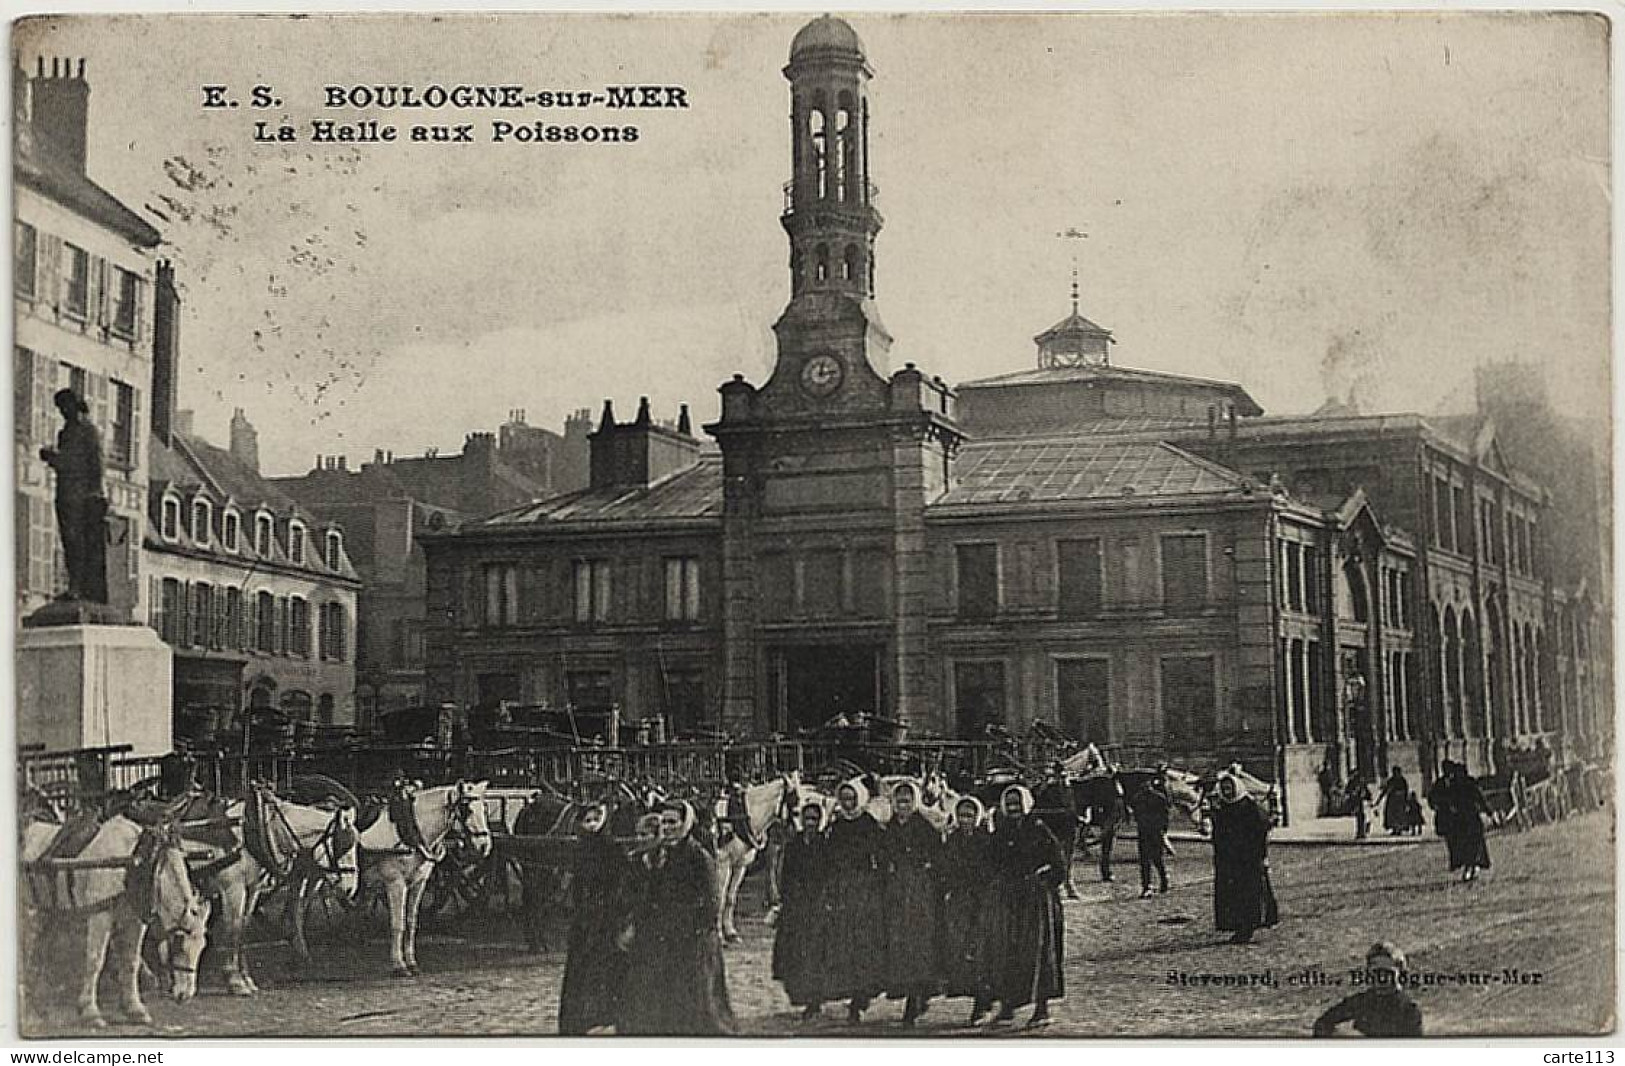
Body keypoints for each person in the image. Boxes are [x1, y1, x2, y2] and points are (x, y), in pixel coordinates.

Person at [617, 802, 734, 1035]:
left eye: (673, 821)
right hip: (670, 935)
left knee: (701, 1000)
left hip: (694, 938)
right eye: (664, 822)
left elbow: (712, 901)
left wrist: (694, 931)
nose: (668, 827)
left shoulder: (698, 856)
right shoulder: (664, 855)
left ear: (685, 823)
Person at [988, 785, 1065, 1028]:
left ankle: (1042, 1008)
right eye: (1009, 804)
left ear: (1026, 804)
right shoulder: (1001, 830)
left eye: (1017, 804)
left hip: (1037, 902)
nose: (1013, 809)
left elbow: (1058, 863)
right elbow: (993, 860)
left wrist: (1043, 881)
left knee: (1039, 952)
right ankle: (1008, 1005)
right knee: (1008, 950)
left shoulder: (1038, 828)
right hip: (1010, 899)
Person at [558, 803, 629, 1035]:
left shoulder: (612, 848)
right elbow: (578, 883)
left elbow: (621, 882)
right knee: (580, 968)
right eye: (586, 821)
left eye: (594, 820)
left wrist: (610, 909)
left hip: (606, 915)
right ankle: (579, 1019)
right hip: (585, 918)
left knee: (604, 965)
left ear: (602, 822)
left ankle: (604, 1014)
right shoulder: (580, 849)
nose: (590, 825)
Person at [823, 779, 887, 1024]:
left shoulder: (868, 823)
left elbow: (879, 856)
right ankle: (849, 994)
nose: (848, 804)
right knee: (844, 943)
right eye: (844, 799)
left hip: (865, 890)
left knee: (864, 944)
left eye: (852, 799)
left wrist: (875, 884)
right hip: (843, 890)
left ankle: (861, 999)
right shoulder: (838, 825)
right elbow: (829, 857)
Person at [881, 780, 943, 1026]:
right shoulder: (891, 828)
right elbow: (884, 855)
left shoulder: (925, 827)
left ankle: (916, 1000)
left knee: (919, 944)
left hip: (919, 894)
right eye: (899, 801)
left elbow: (937, 856)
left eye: (908, 801)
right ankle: (912, 994)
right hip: (897, 893)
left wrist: (925, 871)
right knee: (901, 945)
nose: (903, 806)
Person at [40, 388, 108, 603]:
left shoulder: (88, 431)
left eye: (65, 407)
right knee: (68, 540)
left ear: (75, 405)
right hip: (65, 492)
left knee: (80, 541)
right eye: (60, 408)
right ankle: (74, 585)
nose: (62, 412)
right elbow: (68, 464)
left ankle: (81, 587)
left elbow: (96, 463)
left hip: (82, 494)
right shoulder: (65, 433)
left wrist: (96, 491)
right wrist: (54, 458)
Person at [938, 795, 997, 1025]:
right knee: (962, 949)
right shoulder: (952, 840)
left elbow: (992, 868)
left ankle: (982, 1002)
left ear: (978, 817)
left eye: (970, 816)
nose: (965, 820)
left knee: (982, 949)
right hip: (960, 900)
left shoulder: (986, 840)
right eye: (962, 815)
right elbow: (945, 866)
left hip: (982, 900)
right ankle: (973, 993)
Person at [773, 800, 832, 1021]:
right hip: (796, 905)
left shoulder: (825, 845)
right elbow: (786, 873)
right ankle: (800, 994)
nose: (810, 823)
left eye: (814, 819)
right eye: (806, 819)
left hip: (817, 904)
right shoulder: (794, 844)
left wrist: (825, 899)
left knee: (815, 953)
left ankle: (815, 1000)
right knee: (795, 951)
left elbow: (829, 874)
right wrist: (785, 899)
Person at [1210, 772, 1278, 944]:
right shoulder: (1223, 808)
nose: (1227, 792)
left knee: (1248, 893)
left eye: (1229, 788)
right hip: (1229, 861)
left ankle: (1247, 928)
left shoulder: (1250, 807)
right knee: (1232, 895)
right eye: (1224, 789)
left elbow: (1261, 831)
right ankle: (1237, 925)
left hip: (1248, 859)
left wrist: (1262, 856)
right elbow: (1218, 833)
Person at [1312, 942, 1423, 1037]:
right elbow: (1322, 1024)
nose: (1382, 978)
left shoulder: (1408, 1010)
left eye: (1387, 973)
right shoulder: (1360, 1002)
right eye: (1377, 972)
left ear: (1400, 973)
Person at [1427, 761, 1492, 882]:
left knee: (1471, 844)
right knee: (1465, 844)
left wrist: (1488, 811)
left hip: (1469, 818)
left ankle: (1470, 866)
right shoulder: (1452, 784)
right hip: (1462, 820)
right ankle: (1469, 866)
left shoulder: (1463, 783)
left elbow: (1478, 797)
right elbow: (1437, 798)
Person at [1033, 762, 1081, 899]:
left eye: (1062, 775)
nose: (1059, 777)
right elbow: (1036, 804)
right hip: (1051, 826)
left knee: (1068, 856)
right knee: (1053, 856)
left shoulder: (1069, 788)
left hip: (1068, 824)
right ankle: (1058, 885)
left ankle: (1069, 885)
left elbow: (1074, 804)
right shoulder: (1043, 789)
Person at [1129, 773, 1172, 897]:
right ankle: (1147, 885)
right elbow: (1136, 814)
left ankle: (1163, 881)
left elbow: (1165, 816)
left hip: (1156, 831)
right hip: (1144, 832)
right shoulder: (1137, 798)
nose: (1145, 786)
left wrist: (1163, 830)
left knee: (1157, 858)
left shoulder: (1159, 798)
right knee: (1144, 860)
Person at [1377, 767, 1413, 836]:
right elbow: (1385, 790)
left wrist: (1405, 799)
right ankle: (1394, 828)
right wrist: (1378, 800)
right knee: (1392, 815)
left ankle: (1399, 828)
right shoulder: (1391, 780)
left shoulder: (1402, 780)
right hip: (1392, 801)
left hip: (1400, 801)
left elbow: (1405, 791)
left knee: (1399, 815)